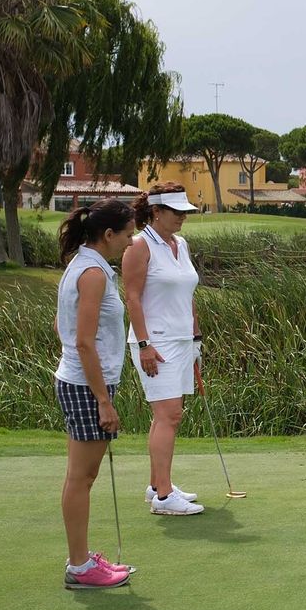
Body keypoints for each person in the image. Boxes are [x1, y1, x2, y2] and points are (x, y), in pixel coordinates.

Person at [54, 200, 138, 588]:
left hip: (82, 380)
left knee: (80, 476)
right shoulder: (93, 273)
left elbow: (62, 325)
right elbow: (84, 342)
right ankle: (79, 566)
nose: (131, 240)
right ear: (108, 235)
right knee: (82, 477)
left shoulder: (86, 265)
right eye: (127, 233)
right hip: (87, 385)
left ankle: (81, 560)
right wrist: (103, 400)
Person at [123, 182, 206, 516]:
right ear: (156, 212)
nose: (182, 218)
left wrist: (196, 339)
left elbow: (187, 295)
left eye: (185, 213)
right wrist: (144, 345)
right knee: (169, 414)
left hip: (182, 340)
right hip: (154, 343)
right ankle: (163, 497)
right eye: (176, 213)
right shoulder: (139, 246)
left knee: (167, 415)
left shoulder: (180, 244)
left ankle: (157, 485)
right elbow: (132, 297)